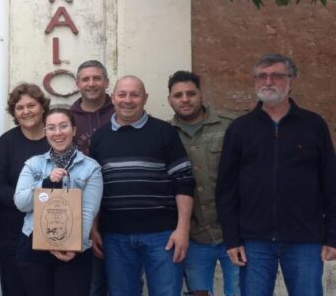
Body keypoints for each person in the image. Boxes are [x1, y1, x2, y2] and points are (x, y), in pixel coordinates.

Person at [216, 53, 336, 296]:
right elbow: (226, 189)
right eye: (262, 76)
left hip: (305, 239)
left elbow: (331, 183)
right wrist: (232, 239)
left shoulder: (313, 126)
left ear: (292, 80)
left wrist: (332, 235)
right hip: (254, 240)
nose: (268, 82)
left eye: (277, 76)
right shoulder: (240, 129)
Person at [89, 75, 195, 296]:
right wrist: (94, 227)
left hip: (163, 235)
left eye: (135, 95)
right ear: (113, 98)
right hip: (115, 236)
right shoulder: (99, 138)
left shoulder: (164, 132)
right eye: (122, 94)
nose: (128, 100)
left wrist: (182, 229)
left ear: (145, 98)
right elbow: (94, 188)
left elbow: (183, 181)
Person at [14, 108, 103, 296]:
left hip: (74, 250)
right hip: (33, 246)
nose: (58, 132)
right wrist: (46, 183)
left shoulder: (91, 167)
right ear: (45, 132)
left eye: (63, 126)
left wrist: (73, 245)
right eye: (51, 128)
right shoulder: (33, 164)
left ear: (74, 130)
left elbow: (88, 210)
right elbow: (21, 203)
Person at [167, 71, 238, 296]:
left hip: (233, 233)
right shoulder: (164, 133)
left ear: (201, 94)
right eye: (178, 95)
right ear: (169, 99)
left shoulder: (229, 127)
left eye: (191, 93)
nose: (185, 99)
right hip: (193, 236)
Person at [0, 83, 51, 296]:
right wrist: (28, 200)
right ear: (14, 113)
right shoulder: (7, 141)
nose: (26, 111)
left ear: (42, 106)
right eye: (19, 107)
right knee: (16, 286)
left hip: (51, 226)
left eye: (31, 105)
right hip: (14, 230)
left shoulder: (57, 138)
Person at [69, 60, 114, 296]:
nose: (91, 84)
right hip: (82, 209)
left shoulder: (121, 110)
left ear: (106, 82)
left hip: (119, 206)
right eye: (85, 79)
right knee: (91, 283)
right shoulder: (68, 118)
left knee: (122, 282)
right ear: (77, 84)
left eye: (97, 78)